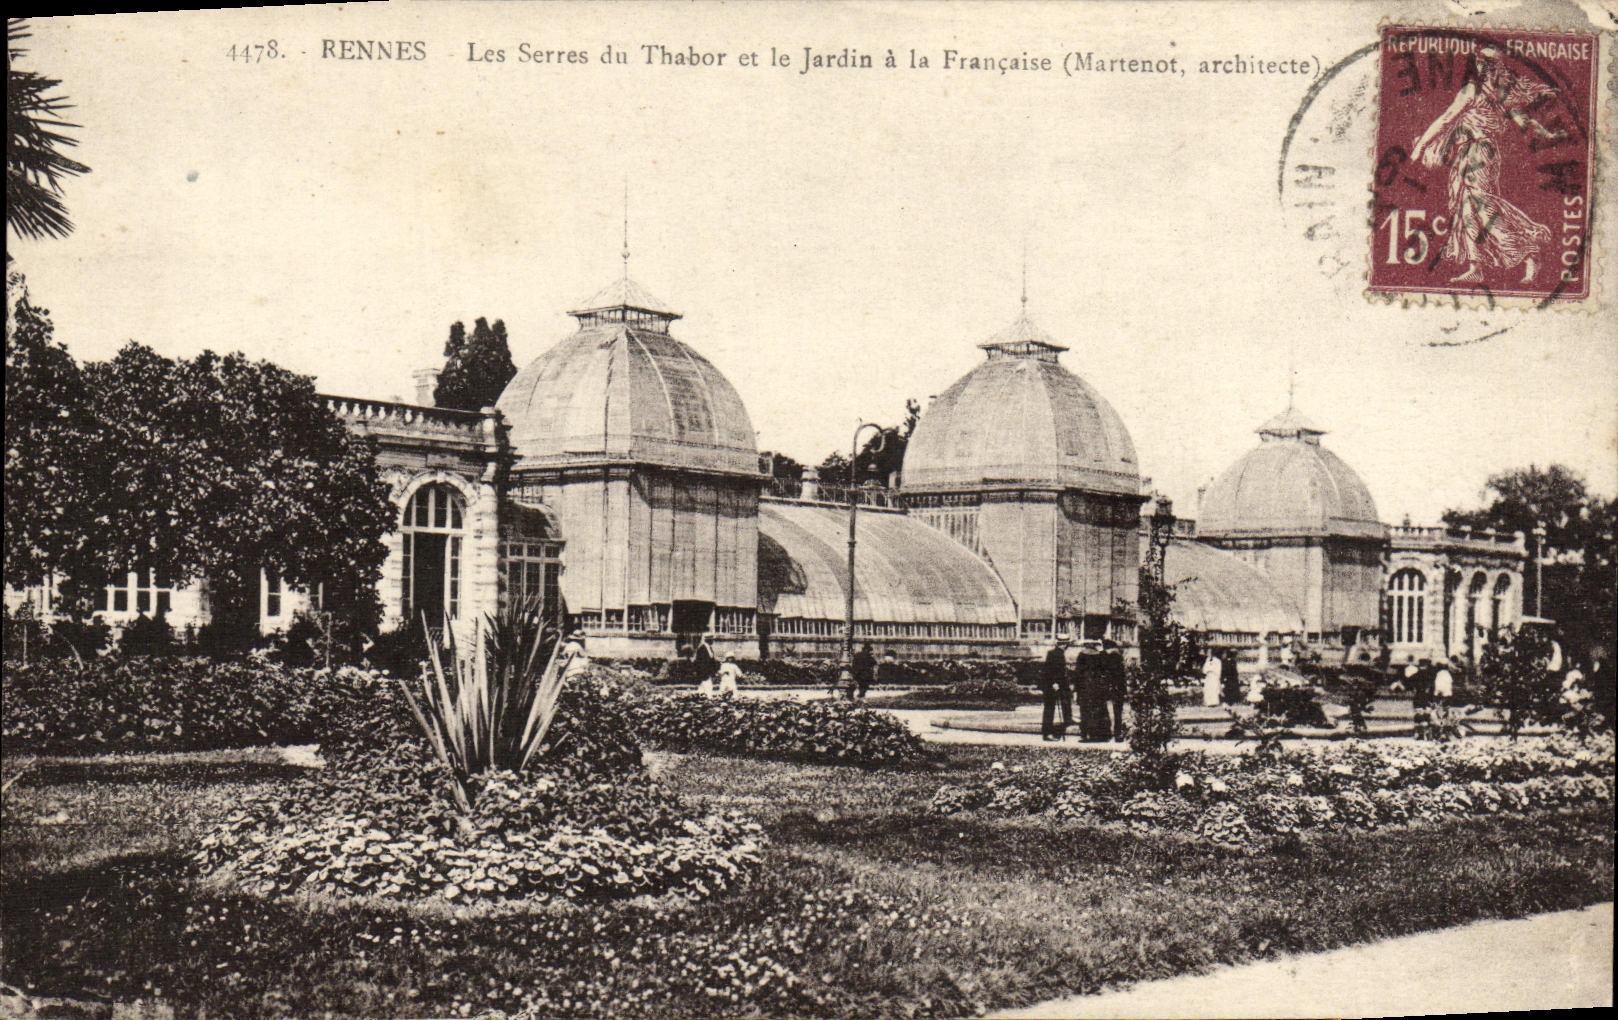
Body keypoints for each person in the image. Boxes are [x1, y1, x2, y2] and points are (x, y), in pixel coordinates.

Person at [1410, 46, 1558, 285]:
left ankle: (1528, 249)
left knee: (1479, 205)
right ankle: (1476, 266)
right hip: (1475, 152)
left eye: (1485, 64)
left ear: (1482, 66)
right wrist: (1549, 134)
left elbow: (1447, 119)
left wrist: (1420, 148)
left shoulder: (1473, 91)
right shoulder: (1503, 94)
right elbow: (1525, 123)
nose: (1483, 68)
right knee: (1466, 207)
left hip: (1477, 152)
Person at [1041, 634, 1070, 740]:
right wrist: (1054, 682)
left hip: (1058, 685)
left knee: (1055, 706)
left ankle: (1052, 731)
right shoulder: (1053, 654)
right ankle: (1047, 733)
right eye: (1065, 643)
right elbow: (1048, 670)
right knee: (1049, 708)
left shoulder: (1060, 653)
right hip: (1051, 686)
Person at [1100, 639, 1128, 741]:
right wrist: (1124, 690)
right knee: (1117, 711)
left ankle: (1105, 733)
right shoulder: (1117, 657)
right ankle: (1117, 733)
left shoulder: (1100, 656)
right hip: (1117, 687)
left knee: (1103, 710)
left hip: (1104, 686)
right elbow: (1121, 675)